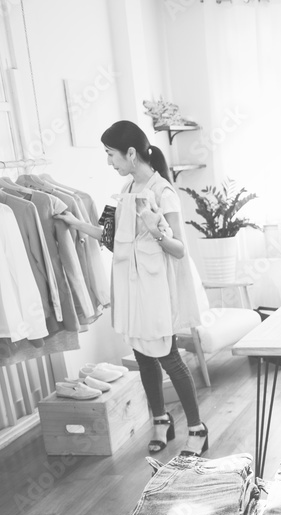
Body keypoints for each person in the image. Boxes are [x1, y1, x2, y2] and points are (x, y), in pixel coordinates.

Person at [58, 120, 208, 456]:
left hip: (155, 290)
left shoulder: (163, 192)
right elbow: (109, 237)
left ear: (130, 153)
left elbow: (179, 249)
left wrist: (155, 229)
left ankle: (197, 428)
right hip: (130, 287)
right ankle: (161, 421)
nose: (109, 162)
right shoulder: (124, 192)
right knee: (143, 356)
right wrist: (74, 222)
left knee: (168, 356)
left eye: (111, 154)